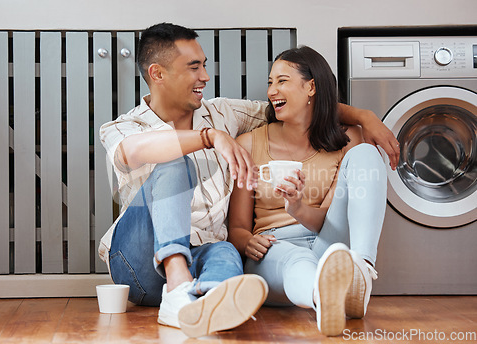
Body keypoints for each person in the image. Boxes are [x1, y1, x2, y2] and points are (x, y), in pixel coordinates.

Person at [99, 23, 397, 338]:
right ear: (158, 74)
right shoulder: (124, 126)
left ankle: (207, 303)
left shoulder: (224, 113)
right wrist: (209, 137)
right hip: (140, 261)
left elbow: (298, 109)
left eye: (204, 65)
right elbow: (134, 150)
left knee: (227, 253)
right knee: (174, 162)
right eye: (194, 67)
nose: (205, 76)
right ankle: (178, 286)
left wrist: (365, 117)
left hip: (205, 253)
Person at [228, 46, 389, 337]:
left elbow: (327, 220)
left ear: (311, 87)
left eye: (282, 80)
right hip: (273, 248)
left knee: (367, 153)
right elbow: (238, 227)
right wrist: (246, 242)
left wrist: (297, 208)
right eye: (270, 82)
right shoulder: (248, 144)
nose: (272, 90)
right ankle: (323, 298)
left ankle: (361, 270)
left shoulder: (346, 138)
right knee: (297, 261)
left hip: (328, 241)